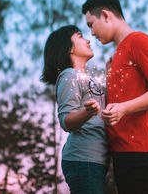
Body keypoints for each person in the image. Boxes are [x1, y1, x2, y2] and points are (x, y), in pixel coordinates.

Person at [82, 0, 148, 194]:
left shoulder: (139, 41)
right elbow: (124, 96)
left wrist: (124, 108)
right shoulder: (117, 56)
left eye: (91, 24)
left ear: (106, 15)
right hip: (123, 151)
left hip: (139, 151)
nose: (92, 33)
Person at [41, 25, 109, 194]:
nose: (87, 40)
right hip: (83, 159)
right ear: (69, 48)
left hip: (96, 159)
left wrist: (110, 73)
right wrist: (87, 112)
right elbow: (66, 121)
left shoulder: (88, 78)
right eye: (80, 36)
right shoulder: (69, 75)